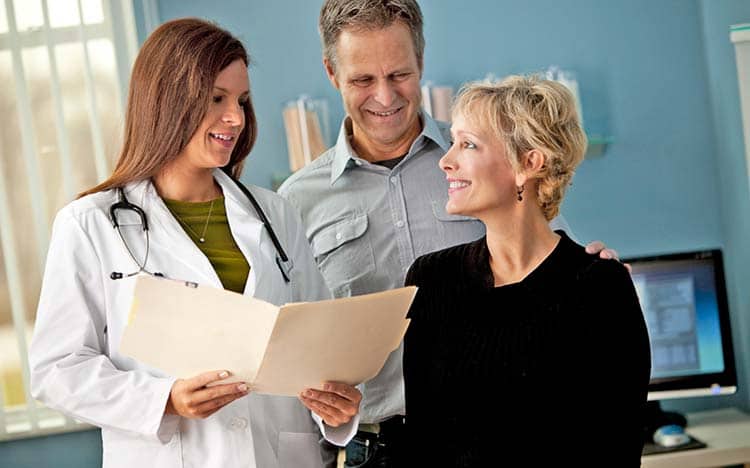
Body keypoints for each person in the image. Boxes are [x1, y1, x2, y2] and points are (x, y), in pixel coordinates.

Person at [277, 1, 619, 465]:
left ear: (420, 61)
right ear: (332, 74)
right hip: (371, 447)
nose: (384, 96)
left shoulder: (485, 164)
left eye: (398, 75)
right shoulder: (297, 203)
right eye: (362, 80)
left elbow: (546, 260)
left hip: (493, 438)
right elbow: (299, 351)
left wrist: (593, 271)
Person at [29, 18, 361, 468]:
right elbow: (56, 371)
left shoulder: (274, 213)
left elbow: (321, 349)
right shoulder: (90, 225)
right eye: (216, 99)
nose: (236, 118)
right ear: (167, 102)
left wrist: (335, 407)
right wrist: (164, 398)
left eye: (242, 101)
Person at [402, 76, 651, 466]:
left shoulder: (601, 287)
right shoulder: (431, 280)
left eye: (468, 144)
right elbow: (421, 442)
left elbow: (616, 449)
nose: (446, 160)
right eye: (453, 142)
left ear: (528, 164)